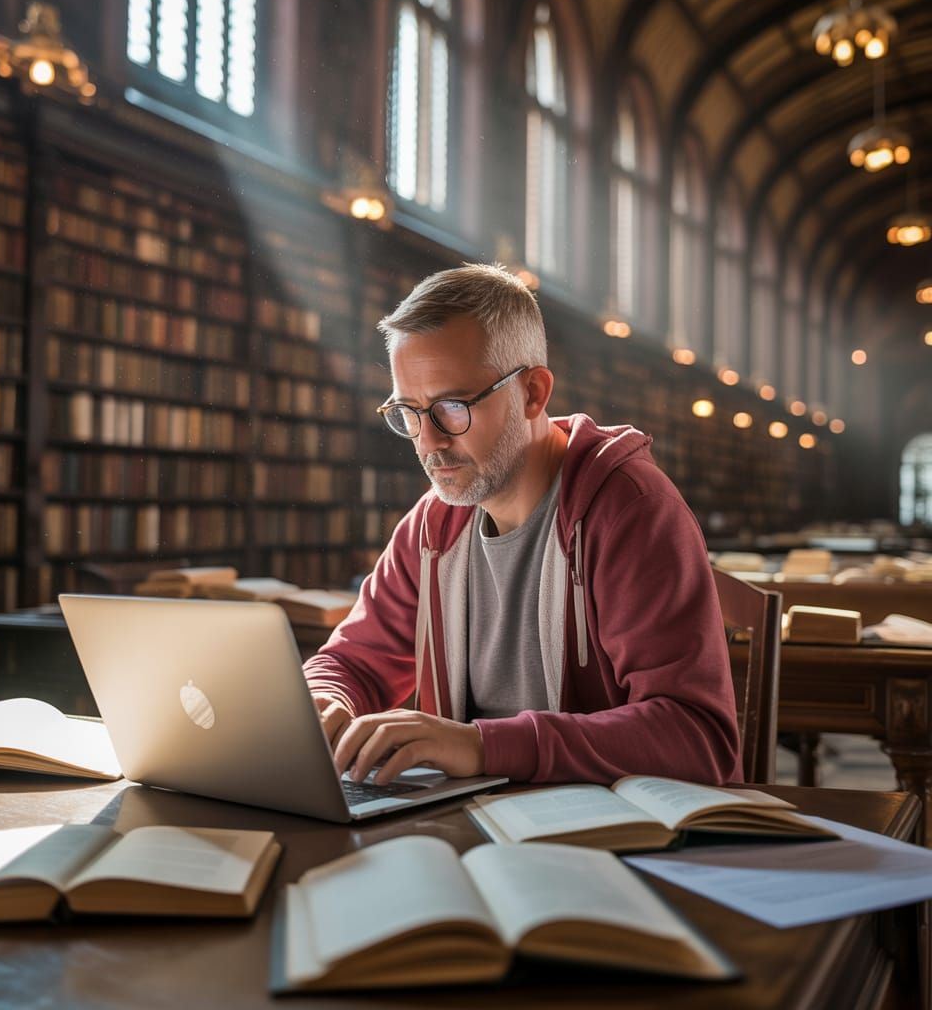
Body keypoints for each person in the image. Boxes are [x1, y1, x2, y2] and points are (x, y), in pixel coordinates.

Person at [304, 263, 740, 789]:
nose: (428, 441)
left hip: (619, 838)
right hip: (481, 825)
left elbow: (697, 738)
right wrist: (325, 701)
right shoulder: (432, 526)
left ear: (533, 392)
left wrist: (481, 746)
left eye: (451, 407)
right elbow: (351, 663)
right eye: (409, 411)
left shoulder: (631, 509)